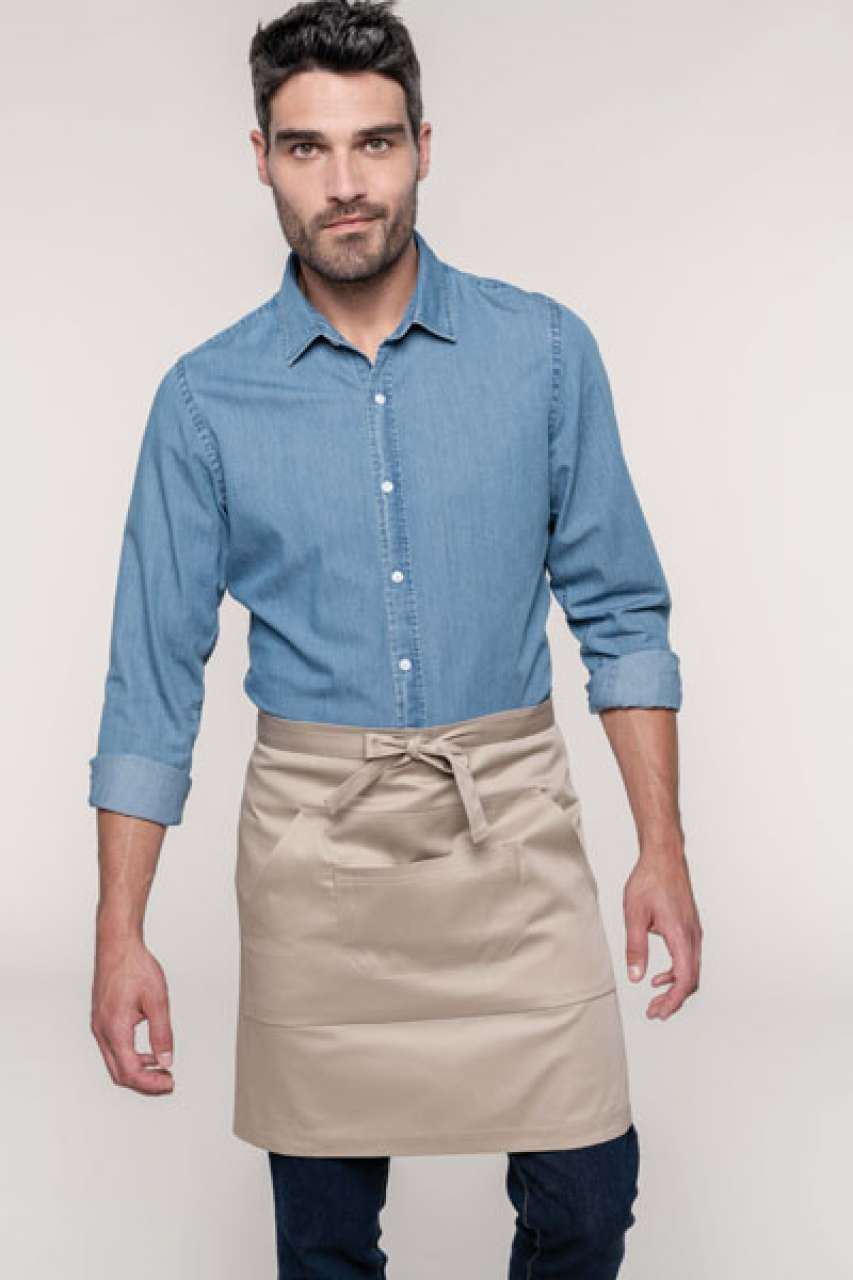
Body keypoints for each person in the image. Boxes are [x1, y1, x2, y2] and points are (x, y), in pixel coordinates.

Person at [88, 2, 703, 1275]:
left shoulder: (543, 353)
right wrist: (119, 932)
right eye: (306, 148)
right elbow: (151, 681)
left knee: (589, 1195)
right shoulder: (204, 400)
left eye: (373, 142)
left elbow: (620, 610)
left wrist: (662, 848)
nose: (345, 183)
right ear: (261, 159)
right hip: (313, 855)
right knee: (323, 1240)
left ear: (423, 144)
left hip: (511, 830)